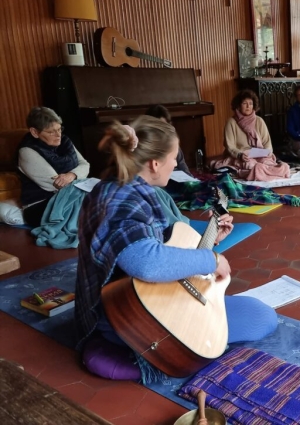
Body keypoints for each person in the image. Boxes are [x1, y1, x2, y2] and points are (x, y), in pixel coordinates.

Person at [74, 116, 277, 382]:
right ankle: (146, 357)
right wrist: (211, 260)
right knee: (262, 316)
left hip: (135, 301)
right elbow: (147, 262)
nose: (175, 164)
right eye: (173, 157)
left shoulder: (121, 187)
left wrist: (211, 237)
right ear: (155, 164)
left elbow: (157, 243)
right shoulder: (124, 200)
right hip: (126, 319)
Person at [17, 107, 89, 227]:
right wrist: (77, 176)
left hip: (69, 194)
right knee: (91, 206)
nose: (58, 135)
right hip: (39, 205)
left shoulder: (64, 141)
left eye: (59, 129)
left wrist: (72, 175)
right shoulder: (26, 151)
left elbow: (85, 164)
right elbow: (56, 184)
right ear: (35, 132)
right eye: (51, 132)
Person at [209, 90, 290, 180]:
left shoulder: (259, 121)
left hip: (260, 154)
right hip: (241, 155)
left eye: (251, 103)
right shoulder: (231, 122)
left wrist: (268, 152)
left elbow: (267, 143)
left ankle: (263, 172)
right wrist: (240, 155)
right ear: (238, 106)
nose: (248, 106)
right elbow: (230, 146)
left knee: (268, 163)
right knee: (250, 165)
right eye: (245, 103)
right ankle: (262, 172)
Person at [145, 104, 192, 176]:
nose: (162, 131)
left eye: (165, 126)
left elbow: (185, 171)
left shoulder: (173, 145)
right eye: (158, 127)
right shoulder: (144, 147)